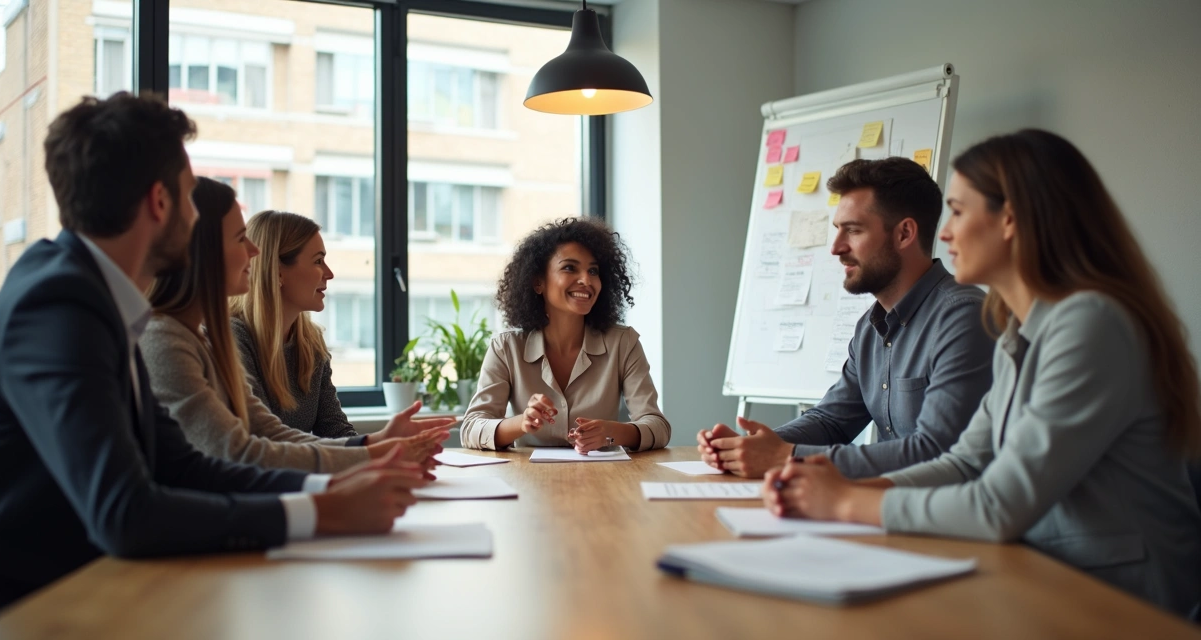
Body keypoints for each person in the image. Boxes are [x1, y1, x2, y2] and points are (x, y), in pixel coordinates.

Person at [0, 94, 428, 615]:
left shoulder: (95, 297)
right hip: (39, 608)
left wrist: (333, 483)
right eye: (192, 197)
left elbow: (183, 466)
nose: (198, 219)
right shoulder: (60, 306)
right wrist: (320, 511)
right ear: (159, 202)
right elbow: (126, 513)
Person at [762, 129, 1201, 617]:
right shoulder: (1018, 331)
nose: (945, 233)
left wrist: (843, 504)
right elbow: (965, 464)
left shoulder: (1089, 325)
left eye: (958, 210)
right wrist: (841, 490)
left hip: (1122, 599)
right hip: (1047, 574)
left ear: (1009, 219)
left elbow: (999, 504)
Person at [699, 157, 994, 478]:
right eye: (837, 230)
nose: (836, 248)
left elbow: (937, 451)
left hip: (945, 519)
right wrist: (751, 447)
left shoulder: (963, 317)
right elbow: (832, 420)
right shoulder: (871, 326)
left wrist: (787, 456)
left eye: (853, 230)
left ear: (904, 233)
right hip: (883, 509)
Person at [142, 179, 449, 473]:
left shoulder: (209, 340)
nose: (253, 251)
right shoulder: (188, 339)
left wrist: (375, 444)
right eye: (239, 239)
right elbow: (246, 451)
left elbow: (272, 434)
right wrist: (372, 454)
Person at [461, 217, 670, 453]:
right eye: (570, 268)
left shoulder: (624, 343)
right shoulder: (505, 348)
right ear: (538, 282)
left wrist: (610, 432)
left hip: (604, 481)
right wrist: (522, 422)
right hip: (529, 482)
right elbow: (471, 428)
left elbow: (658, 427)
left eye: (593, 271)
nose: (586, 280)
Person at [231, 210, 374, 440]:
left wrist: (388, 446)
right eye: (318, 261)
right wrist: (372, 447)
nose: (329, 273)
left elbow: (336, 431)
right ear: (278, 273)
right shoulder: (234, 338)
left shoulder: (310, 341)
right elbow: (265, 440)